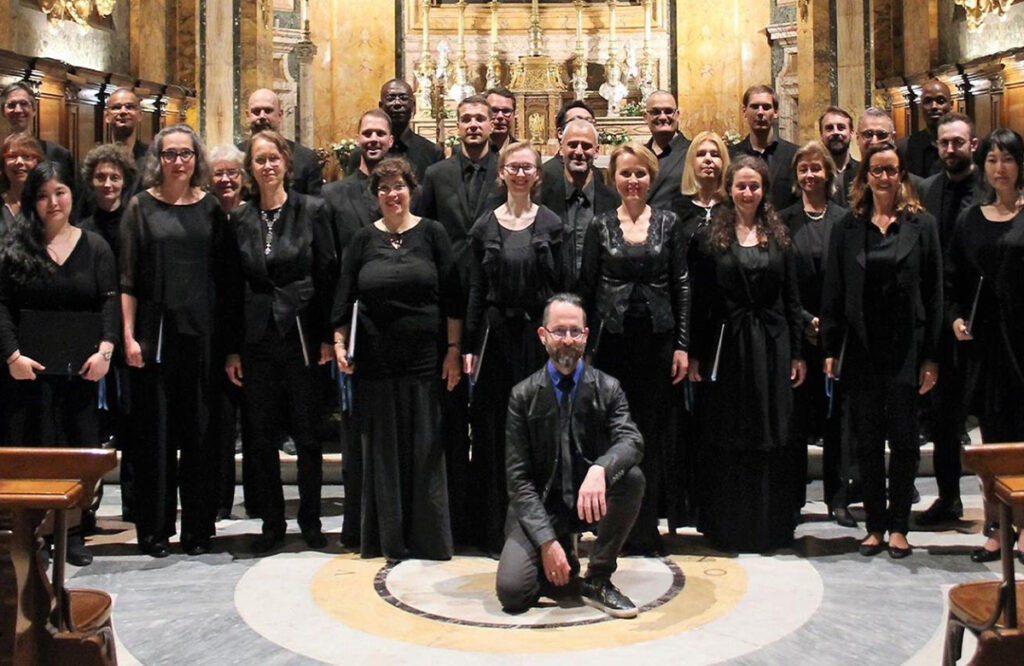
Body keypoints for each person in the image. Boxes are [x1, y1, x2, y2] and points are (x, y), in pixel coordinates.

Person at [332, 157, 464, 561]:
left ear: (412, 189)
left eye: (399, 186)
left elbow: (453, 299)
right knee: (383, 451)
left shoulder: (432, 233)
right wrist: (339, 343)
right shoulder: (362, 240)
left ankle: (428, 537)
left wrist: (454, 352)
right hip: (375, 361)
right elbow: (344, 297)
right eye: (384, 188)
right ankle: (387, 536)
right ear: (376, 196)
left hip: (425, 359)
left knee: (425, 448)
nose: (392, 194)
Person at [820, 141, 942, 560]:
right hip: (862, 346)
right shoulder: (848, 226)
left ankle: (899, 527)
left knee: (905, 440)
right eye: (877, 171)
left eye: (892, 170)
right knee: (868, 439)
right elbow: (834, 291)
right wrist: (831, 347)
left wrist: (931, 356)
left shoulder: (922, 225)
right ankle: (874, 524)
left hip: (907, 345)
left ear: (902, 176)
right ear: (865, 177)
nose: (884, 177)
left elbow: (935, 291)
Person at [496, 293, 645, 619]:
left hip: (588, 500)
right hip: (543, 508)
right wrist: (547, 543)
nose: (567, 340)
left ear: (586, 335)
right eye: (558, 331)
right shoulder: (522, 396)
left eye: (574, 332)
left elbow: (632, 440)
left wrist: (601, 470)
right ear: (543, 335)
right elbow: (518, 480)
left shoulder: (609, 388)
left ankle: (598, 577)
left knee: (631, 478)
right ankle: (562, 547)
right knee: (513, 594)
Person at [0, 161, 119, 566]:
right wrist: (11, 355)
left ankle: (72, 531)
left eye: (60, 193)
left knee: (76, 449)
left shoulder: (96, 246)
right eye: (43, 195)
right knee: (36, 449)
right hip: (28, 373)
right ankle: (35, 530)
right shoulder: (15, 248)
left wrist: (105, 351)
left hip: (81, 371)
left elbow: (109, 302)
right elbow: (1, 306)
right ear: (32, 202)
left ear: (72, 194)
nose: (53, 202)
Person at [120, 124, 229, 558]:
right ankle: (155, 529)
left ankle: (198, 528)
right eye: (170, 154)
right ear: (158, 160)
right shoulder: (140, 208)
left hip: (202, 334)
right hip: (155, 335)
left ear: (196, 159)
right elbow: (127, 277)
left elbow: (223, 277)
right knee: (157, 435)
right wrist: (128, 336)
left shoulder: (211, 209)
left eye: (186, 154)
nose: (178, 162)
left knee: (199, 435)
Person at [223, 130, 335, 552]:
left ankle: (309, 518)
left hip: (303, 333)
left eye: (273, 158)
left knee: (307, 435)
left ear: (286, 163)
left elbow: (327, 274)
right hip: (256, 338)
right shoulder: (240, 218)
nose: (267, 166)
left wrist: (328, 335)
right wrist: (233, 348)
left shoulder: (313, 211)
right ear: (250, 169)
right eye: (259, 160)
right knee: (260, 435)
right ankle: (272, 520)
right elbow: (232, 287)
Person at [689, 156, 806, 552]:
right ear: (729, 188)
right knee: (729, 431)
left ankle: (770, 525)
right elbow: (702, 300)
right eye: (740, 186)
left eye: (754, 186)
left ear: (764, 190)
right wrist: (694, 354)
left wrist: (797, 353)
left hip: (772, 346)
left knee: (772, 432)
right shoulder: (711, 237)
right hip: (727, 345)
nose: (747, 193)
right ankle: (730, 526)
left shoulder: (779, 234)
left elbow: (792, 297)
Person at [578, 142, 690, 555]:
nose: (633, 181)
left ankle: (646, 527)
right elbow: (587, 288)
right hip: (612, 344)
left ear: (652, 176)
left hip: (658, 344)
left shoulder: (669, 222)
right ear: (614, 179)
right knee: (612, 435)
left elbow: (681, 284)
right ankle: (613, 526)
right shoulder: (600, 225)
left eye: (640, 173)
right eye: (625, 173)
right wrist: (584, 352)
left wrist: (682, 345)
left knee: (652, 434)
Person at [463, 142, 564, 556]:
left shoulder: (552, 223)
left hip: (536, 341)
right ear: (501, 173)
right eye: (513, 167)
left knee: (538, 431)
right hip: (495, 338)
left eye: (528, 167)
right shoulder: (485, 225)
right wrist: (469, 344)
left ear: (537, 175)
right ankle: (492, 528)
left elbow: (562, 289)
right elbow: (474, 289)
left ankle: (543, 528)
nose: (520, 174)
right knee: (491, 431)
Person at [415, 95, 504, 543]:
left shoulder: (509, 171)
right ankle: (452, 516)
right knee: (449, 411)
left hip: (492, 301)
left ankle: (491, 519)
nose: (473, 125)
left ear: (493, 125)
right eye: (466, 119)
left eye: (480, 119)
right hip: (445, 300)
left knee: (490, 414)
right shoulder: (436, 174)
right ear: (456, 125)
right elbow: (423, 230)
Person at [944, 128, 1024, 562]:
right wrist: (955, 318)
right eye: (992, 160)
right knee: (992, 441)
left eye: (1007, 159)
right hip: (986, 349)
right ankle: (996, 528)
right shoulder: (971, 218)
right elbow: (953, 279)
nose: (999, 168)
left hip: (1022, 343)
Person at [321, 109, 394, 547]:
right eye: (366, 132)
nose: (373, 139)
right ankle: (357, 525)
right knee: (355, 432)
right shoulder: (334, 195)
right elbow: (330, 268)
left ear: (391, 140)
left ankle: (391, 520)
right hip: (352, 328)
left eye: (380, 133)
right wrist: (335, 333)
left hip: (395, 329)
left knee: (391, 432)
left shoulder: (405, 189)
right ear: (358, 137)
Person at [777, 141, 854, 527]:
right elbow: (782, 280)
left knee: (838, 418)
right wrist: (805, 319)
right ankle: (790, 498)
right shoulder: (784, 220)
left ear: (828, 173)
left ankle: (837, 499)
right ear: (797, 176)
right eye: (803, 169)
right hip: (797, 331)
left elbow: (850, 277)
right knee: (795, 420)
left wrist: (830, 321)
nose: (810, 175)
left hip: (836, 333)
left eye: (816, 169)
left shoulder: (845, 219)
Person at [916, 112, 982, 527]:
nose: (951, 149)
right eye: (944, 143)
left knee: (995, 416)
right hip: (942, 316)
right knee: (943, 417)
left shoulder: (991, 188)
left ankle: (1006, 504)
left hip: (984, 317)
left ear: (972, 145)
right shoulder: (927, 190)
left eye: (958, 142)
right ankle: (949, 497)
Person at [78, 144, 137, 522]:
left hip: (129, 332)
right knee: (92, 428)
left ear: (125, 180)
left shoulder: (136, 220)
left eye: (114, 176)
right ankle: (84, 511)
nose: (107, 183)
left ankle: (134, 505)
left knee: (132, 423)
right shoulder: (82, 229)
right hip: (95, 336)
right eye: (100, 177)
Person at [207, 144, 251, 521]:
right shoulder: (205, 215)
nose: (225, 179)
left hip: (250, 327)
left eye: (232, 173)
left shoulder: (252, 216)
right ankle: (218, 498)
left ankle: (254, 497)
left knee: (254, 420)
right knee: (219, 422)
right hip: (214, 328)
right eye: (219, 173)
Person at [537, 118, 620, 289]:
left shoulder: (614, 202)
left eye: (586, 146)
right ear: (561, 148)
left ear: (597, 151)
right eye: (572, 145)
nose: (579, 151)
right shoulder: (541, 201)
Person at [349, 78, 444, 182]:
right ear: (381, 106)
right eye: (391, 98)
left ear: (413, 106)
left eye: (403, 98)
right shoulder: (362, 153)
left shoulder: (432, 152)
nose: (397, 103)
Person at [238, 88, 323, 196]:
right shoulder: (235, 156)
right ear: (248, 115)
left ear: (280, 114)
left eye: (268, 110)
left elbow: (315, 206)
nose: (262, 116)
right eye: (256, 111)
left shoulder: (305, 159)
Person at [730, 85, 799, 210]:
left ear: (776, 112)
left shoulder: (794, 155)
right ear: (744, 111)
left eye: (766, 107)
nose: (760, 112)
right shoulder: (732, 155)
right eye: (755, 107)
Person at [1, 82, 76, 191]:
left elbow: (72, 196)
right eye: (11, 105)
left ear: (34, 110)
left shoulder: (59, 154)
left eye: (24, 103)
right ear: (3, 111)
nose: (18, 110)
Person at [677, 130, 730, 242]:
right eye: (701, 154)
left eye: (715, 155)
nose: (708, 159)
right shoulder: (677, 207)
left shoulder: (733, 206)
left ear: (723, 162)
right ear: (691, 162)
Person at [643, 91, 691, 211]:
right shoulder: (639, 154)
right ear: (645, 117)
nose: (663, 117)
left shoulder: (693, 152)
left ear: (677, 115)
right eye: (655, 112)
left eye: (668, 111)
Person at [898, 79, 952, 179]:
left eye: (940, 101)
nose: (934, 106)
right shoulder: (905, 147)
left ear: (951, 105)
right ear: (920, 107)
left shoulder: (964, 146)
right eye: (928, 101)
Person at [541, 100, 597, 185]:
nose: (582, 126)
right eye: (576, 121)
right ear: (560, 133)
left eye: (588, 122)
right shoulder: (545, 174)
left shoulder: (596, 174)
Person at [1, 132, 42, 229]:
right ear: (3, 164)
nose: (19, 161)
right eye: (12, 156)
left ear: (38, 162)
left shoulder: (47, 203)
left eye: (27, 156)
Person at [819, 107, 858, 207]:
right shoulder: (814, 175)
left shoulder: (862, 172)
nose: (835, 132)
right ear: (821, 135)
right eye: (829, 128)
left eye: (841, 127)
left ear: (851, 133)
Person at [105, 88, 149, 175]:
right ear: (107, 117)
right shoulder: (96, 161)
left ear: (140, 115)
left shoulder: (153, 158)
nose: (123, 111)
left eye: (129, 107)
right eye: (116, 107)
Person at [485, 87, 518, 152]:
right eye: (494, 110)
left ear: (514, 114)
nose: (500, 116)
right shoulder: (471, 152)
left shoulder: (522, 152)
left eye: (506, 111)